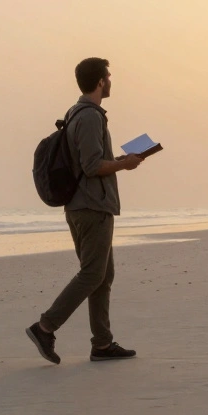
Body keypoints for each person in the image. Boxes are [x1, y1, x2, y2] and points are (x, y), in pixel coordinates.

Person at [27, 58, 145, 365]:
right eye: (109, 76)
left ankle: (102, 344)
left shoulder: (75, 113)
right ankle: (45, 327)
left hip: (82, 205)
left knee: (103, 275)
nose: (111, 80)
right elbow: (93, 167)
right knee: (93, 273)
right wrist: (125, 164)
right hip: (92, 207)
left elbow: (88, 162)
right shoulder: (90, 116)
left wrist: (119, 159)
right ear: (101, 82)